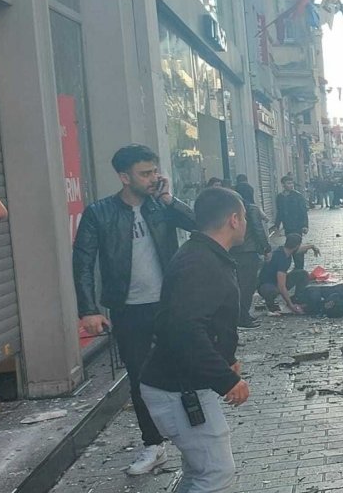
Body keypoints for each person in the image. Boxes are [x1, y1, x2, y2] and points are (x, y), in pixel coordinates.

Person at [72, 144, 196, 476]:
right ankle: (153, 445)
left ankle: (194, 442)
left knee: (185, 370)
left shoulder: (162, 206)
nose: (153, 178)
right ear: (124, 177)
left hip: (170, 304)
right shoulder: (99, 213)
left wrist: (169, 198)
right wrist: (88, 309)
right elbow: (83, 263)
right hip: (129, 311)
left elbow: (199, 225)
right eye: (145, 173)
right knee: (142, 380)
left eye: (155, 171)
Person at [139, 187, 250, 493]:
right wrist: (225, 378)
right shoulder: (201, 262)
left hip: (181, 385)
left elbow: (203, 318)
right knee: (215, 475)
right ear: (234, 219)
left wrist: (227, 358)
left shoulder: (204, 255)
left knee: (199, 473)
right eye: (245, 217)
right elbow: (183, 329)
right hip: (178, 390)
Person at [232, 183, 271, 328]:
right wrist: (266, 248)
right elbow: (258, 229)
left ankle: (242, 314)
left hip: (235, 251)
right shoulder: (251, 208)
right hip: (248, 252)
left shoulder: (234, 209)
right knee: (247, 286)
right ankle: (243, 317)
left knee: (239, 286)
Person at [257, 233, 320, 314]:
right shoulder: (283, 259)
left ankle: (297, 298)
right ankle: (271, 306)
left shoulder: (284, 250)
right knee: (272, 290)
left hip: (273, 281)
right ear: (296, 246)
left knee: (303, 274)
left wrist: (312, 246)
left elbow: (299, 249)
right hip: (266, 285)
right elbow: (281, 286)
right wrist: (291, 305)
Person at [273, 175, 309, 270]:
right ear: (283, 184)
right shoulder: (280, 197)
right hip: (287, 226)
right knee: (289, 245)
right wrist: (277, 225)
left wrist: (305, 225)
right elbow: (279, 212)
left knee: (297, 246)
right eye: (288, 183)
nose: (291, 185)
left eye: (292, 183)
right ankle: (292, 266)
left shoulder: (298, 196)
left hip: (298, 226)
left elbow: (303, 211)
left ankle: (299, 267)